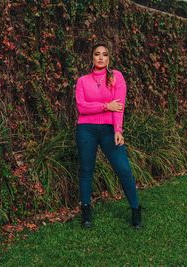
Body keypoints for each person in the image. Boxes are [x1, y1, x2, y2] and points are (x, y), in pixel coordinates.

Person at [74, 42, 143, 229]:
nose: (101, 57)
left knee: (123, 168)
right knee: (86, 170)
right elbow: (82, 108)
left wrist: (118, 130)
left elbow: (119, 106)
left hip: (108, 130)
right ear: (92, 57)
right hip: (86, 129)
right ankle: (86, 212)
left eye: (105, 54)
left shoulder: (116, 77)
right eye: (97, 54)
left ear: (109, 59)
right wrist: (105, 106)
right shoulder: (82, 81)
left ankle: (136, 209)